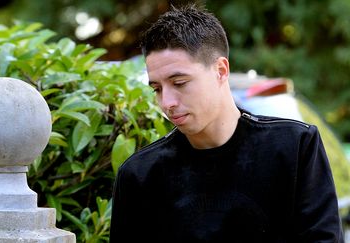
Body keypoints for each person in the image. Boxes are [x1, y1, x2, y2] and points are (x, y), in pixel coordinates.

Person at [110, 4, 344, 243]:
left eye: (179, 83)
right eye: (157, 89)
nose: (167, 102)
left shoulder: (294, 147)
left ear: (221, 70)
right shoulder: (140, 175)